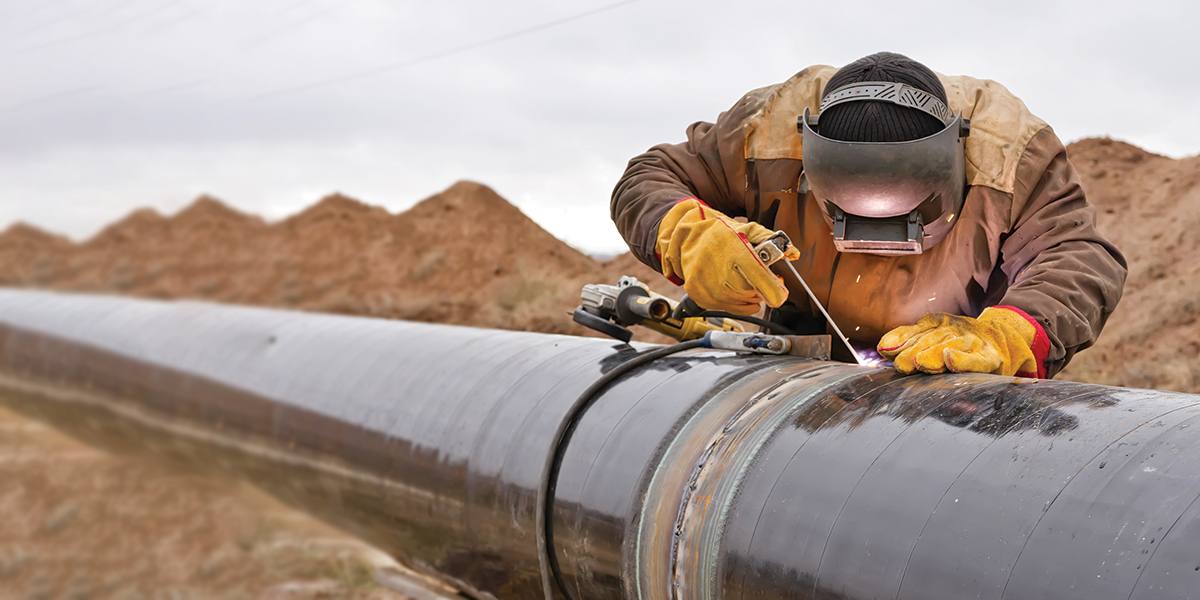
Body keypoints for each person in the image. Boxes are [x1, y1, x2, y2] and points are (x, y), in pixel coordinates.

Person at [610, 52, 1126, 378]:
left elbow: (1077, 255)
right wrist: (688, 231)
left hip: (948, 382)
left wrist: (1010, 332)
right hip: (792, 364)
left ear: (956, 156)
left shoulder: (1010, 157)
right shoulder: (763, 133)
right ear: (809, 158)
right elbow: (649, 178)